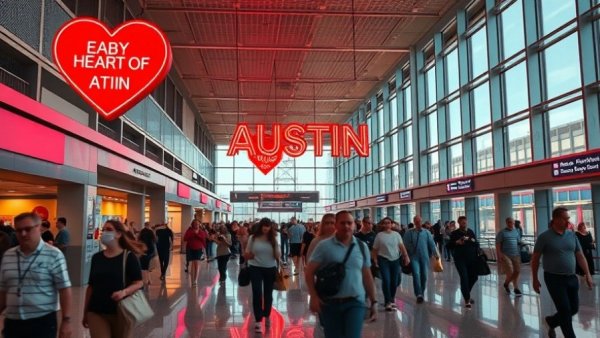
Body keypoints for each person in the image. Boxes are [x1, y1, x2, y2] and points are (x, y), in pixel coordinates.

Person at [305, 211, 377, 338]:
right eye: (342, 223)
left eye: (349, 223)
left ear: (354, 225)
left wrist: (374, 301)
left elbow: (367, 275)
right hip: (330, 302)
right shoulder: (324, 246)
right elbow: (309, 271)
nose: (346, 226)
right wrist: (314, 297)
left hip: (355, 301)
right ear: (336, 225)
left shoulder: (361, 246)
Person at [0, 212, 72, 338]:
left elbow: (65, 289)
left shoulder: (54, 255)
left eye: (28, 229)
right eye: (19, 230)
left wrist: (66, 321)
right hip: (13, 322)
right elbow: (3, 290)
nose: (23, 234)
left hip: (42, 322)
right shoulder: (8, 256)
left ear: (39, 228)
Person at [532, 207, 594, 338]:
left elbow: (580, 255)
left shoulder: (572, 235)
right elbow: (535, 259)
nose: (568, 222)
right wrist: (534, 279)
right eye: (565, 219)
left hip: (571, 278)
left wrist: (587, 274)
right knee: (565, 311)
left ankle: (552, 321)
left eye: (568, 219)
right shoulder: (544, 237)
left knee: (574, 308)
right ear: (555, 219)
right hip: (554, 279)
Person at [82, 220, 144, 338]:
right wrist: (85, 312)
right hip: (96, 311)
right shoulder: (97, 258)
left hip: (122, 311)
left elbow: (139, 282)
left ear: (119, 234)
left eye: (109, 230)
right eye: (103, 230)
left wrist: (124, 292)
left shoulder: (129, 257)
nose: (104, 232)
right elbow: (91, 286)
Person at [244, 218, 281, 333]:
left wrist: (276, 246)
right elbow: (246, 253)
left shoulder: (274, 238)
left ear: (270, 227)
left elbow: (278, 255)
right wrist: (250, 255)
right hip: (255, 267)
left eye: (268, 226)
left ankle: (267, 314)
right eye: (264, 225)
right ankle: (258, 320)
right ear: (260, 226)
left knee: (268, 293)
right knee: (257, 292)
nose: (265, 228)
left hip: (270, 268)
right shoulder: (253, 238)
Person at [372, 217, 410, 311]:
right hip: (383, 260)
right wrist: (375, 259)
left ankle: (392, 299)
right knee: (386, 280)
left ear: (392, 224)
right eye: (385, 223)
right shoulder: (379, 235)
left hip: (395, 260)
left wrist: (406, 256)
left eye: (389, 223)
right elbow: (375, 250)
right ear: (382, 225)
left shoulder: (396, 235)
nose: (387, 224)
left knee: (395, 281)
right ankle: (387, 302)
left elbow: (401, 246)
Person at [402, 215, 438, 304]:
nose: (418, 223)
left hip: (425, 257)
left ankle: (421, 292)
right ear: (414, 222)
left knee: (424, 276)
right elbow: (404, 244)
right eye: (416, 221)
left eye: (420, 221)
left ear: (421, 222)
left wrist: (436, 254)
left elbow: (431, 244)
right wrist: (406, 254)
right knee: (416, 274)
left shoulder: (426, 233)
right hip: (414, 257)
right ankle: (418, 294)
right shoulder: (409, 233)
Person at [449, 216, 479, 309]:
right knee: (464, 277)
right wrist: (457, 242)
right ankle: (467, 299)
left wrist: (477, 248)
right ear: (459, 223)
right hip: (460, 259)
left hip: (472, 259)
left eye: (465, 222)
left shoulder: (471, 232)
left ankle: (466, 293)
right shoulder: (454, 233)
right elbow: (448, 245)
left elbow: (476, 243)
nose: (464, 224)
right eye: (462, 222)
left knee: (474, 277)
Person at [496, 217, 523, 296]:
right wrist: (499, 255)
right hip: (505, 254)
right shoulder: (502, 233)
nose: (512, 224)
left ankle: (506, 283)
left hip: (516, 254)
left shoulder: (516, 232)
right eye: (510, 222)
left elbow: (518, 241)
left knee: (517, 271)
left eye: (513, 223)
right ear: (507, 223)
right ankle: (516, 288)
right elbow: (498, 244)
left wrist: (523, 244)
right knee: (510, 272)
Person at [184, 220, 207, 286]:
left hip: (198, 249)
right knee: (192, 264)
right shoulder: (189, 231)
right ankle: (192, 279)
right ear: (192, 224)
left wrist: (197, 235)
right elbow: (185, 238)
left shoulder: (201, 232)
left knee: (196, 264)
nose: (196, 225)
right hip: (190, 248)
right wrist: (192, 234)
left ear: (199, 224)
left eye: (197, 224)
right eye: (195, 224)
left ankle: (195, 280)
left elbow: (203, 240)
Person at [138, 222, 157, 287]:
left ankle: (146, 280)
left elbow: (138, 241)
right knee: (148, 266)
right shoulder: (151, 232)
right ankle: (148, 280)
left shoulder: (142, 232)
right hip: (150, 250)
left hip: (143, 250)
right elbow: (155, 240)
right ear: (149, 225)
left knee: (143, 267)